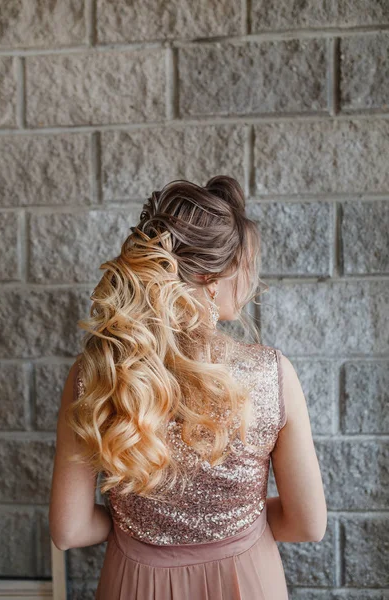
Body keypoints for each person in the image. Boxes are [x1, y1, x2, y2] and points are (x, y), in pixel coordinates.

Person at [49, 175, 327, 599]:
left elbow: (69, 529)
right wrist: (234, 522)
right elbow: (308, 524)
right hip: (247, 578)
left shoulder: (97, 373)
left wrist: (134, 525)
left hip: (135, 582)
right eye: (244, 265)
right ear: (210, 278)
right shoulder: (273, 375)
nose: (251, 281)